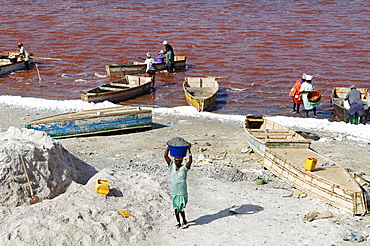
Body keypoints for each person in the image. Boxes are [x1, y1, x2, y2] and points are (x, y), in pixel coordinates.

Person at [164, 144, 192, 229]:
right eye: (176, 161)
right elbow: (165, 156)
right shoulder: (171, 166)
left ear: (181, 162)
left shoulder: (184, 169)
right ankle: (178, 222)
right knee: (176, 209)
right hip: (174, 192)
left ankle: (184, 221)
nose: (177, 163)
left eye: (179, 161)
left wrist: (189, 151)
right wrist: (168, 147)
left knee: (180, 208)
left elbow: (190, 161)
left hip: (182, 193)